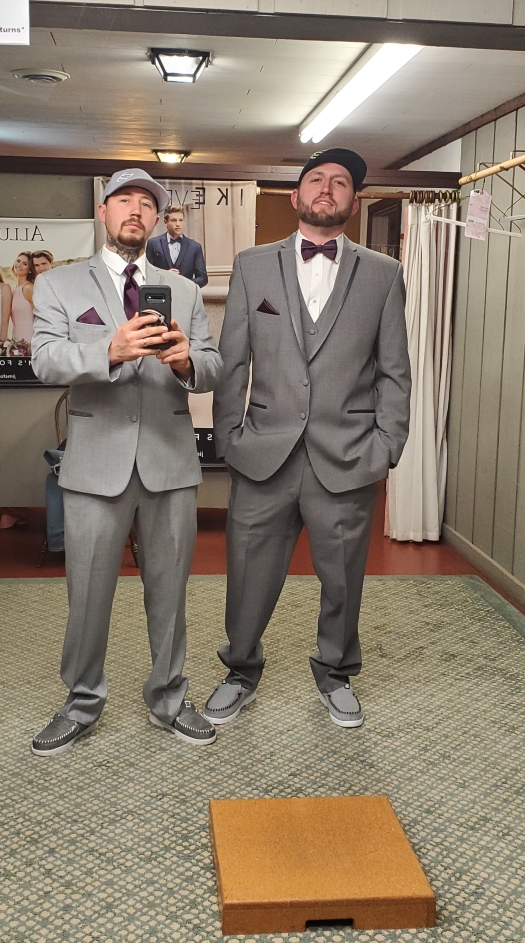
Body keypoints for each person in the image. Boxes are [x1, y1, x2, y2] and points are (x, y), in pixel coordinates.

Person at [204, 148, 411, 730]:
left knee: (343, 577)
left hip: (348, 456)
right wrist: (229, 438)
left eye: (340, 182)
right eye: (315, 179)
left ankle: (336, 672)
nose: (327, 188)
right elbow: (233, 359)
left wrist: (386, 446)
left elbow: (395, 370)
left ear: (354, 202)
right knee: (248, 573)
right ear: (295, 197)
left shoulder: (383, 273)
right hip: (262, 453)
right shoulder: (252, 266)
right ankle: (240, 670)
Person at [30, 168, 223, 757]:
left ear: (158, 219)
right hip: (95, 464)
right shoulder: (59, 284)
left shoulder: (184, 290)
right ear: (103, 210)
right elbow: (44, 358)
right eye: (124, 200)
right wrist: (107, 351)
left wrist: (187, 362)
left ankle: (169, 696)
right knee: (88, 593)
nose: (135, 210)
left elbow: (214, 366)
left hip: (170, 461)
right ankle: (81, 701)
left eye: (147, 203)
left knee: (170, 591)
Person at [146, 205, 208, 287]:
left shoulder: (195, 247)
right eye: (174, 220)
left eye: (181, 220)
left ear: (184, 222)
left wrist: (183, 284)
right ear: (165, 222)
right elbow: (147, 273)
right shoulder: (153, 243)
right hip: (162, 292)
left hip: (185, 293)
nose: (178, 224)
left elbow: (203, 278)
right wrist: (165, 275)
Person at [10, 251, 35, 350]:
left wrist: (33, 343)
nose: (19, 265)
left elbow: (40, 318)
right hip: (15, 339)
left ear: (30, 270)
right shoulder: (12, 289)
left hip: (30, 339)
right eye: (18, 261)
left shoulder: (29, 288)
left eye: (25, 264)